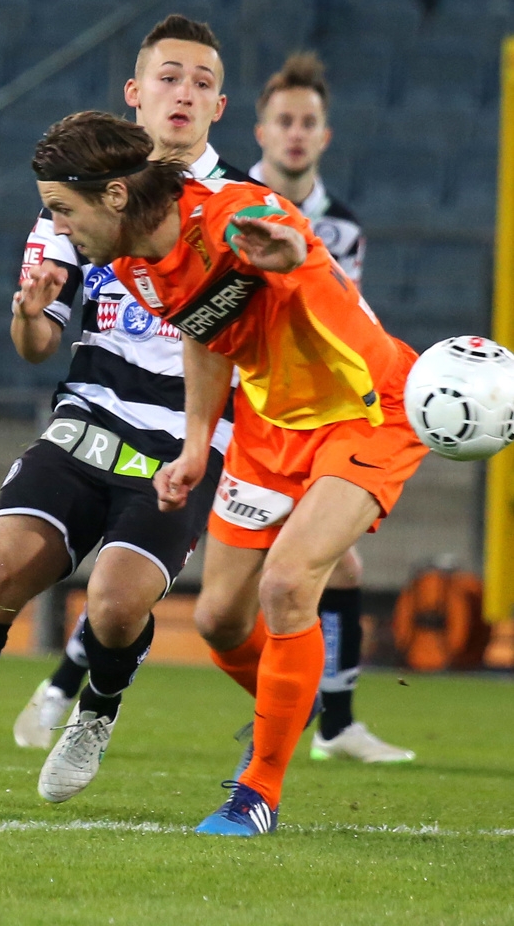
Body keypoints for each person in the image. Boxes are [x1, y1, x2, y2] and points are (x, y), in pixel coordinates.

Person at [0, 15, 246, 812]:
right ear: (134, 94)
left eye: (202, 82)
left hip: (185, 436)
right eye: (169, 77)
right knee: (2, 566)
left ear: (219, 107)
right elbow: (37, 344)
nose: (184, 93)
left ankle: (95, 710)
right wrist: (30, 310)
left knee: (113, 603)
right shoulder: (69, 200)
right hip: (88, 418)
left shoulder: (241, 208)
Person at [30, 110, 428, 836]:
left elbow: (289, 243)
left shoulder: (233, 212)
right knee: (217, 620)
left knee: (286, 582)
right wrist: (193, 444)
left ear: (114, 196)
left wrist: (289, 255)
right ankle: (289, 696)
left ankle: (257, 793)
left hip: (368, 408)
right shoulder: (130, 265)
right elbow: (206, 340)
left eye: (62, 209)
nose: (58, 227)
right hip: (270, 427)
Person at [233, 52, 415, 765]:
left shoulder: (341, 226)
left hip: (320, 410)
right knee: (204, 576)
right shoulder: (233, 205)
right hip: (252, 408)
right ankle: (69, 685)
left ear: (325, 135)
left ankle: (331, 722)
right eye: (284, 120)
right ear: (261, 131)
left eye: (308, 122)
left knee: (333, 569)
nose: (296, 133)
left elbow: (340, 316)